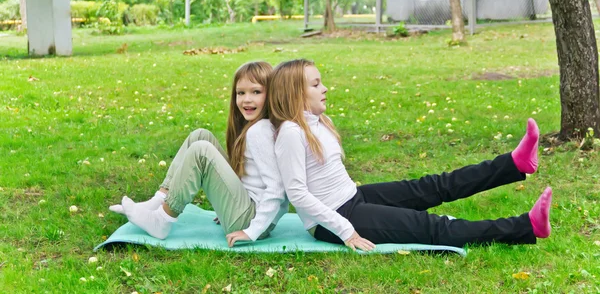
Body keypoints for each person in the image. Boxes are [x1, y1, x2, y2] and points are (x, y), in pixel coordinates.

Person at [268, 58, 552, 251]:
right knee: (431, 228)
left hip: (353, 198)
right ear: (295, 93)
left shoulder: (317, 123)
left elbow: (325, 173)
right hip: (333, 220)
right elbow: (297, 194)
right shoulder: (291, 133)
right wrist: (346, 231)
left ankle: (514, 163)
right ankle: (525, 226)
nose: (325, 88)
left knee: (433, 186)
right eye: (315, 84)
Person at [110, 61, 288, 246]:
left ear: (271, 94)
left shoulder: (260, 131)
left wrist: (252, 229)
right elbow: (254, 180)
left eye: (256, 92)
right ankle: (157, 202)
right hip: (248, 210)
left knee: (201, 151)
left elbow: (277, 188)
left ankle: (161, 220)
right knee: (201, 136)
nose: (246, 99)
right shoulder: (257, 127)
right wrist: (227, 205)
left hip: (252, 223)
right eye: (240, 93)